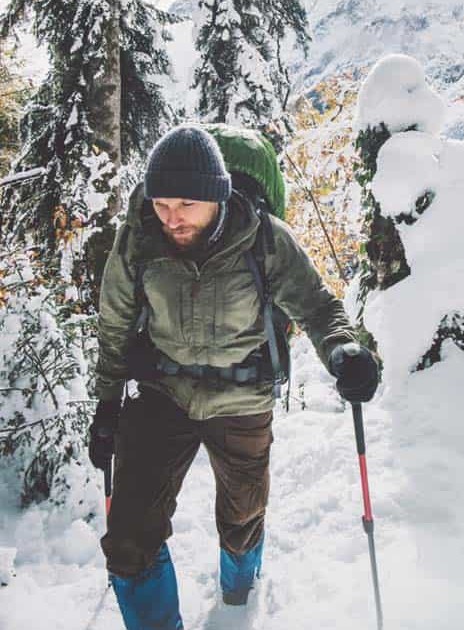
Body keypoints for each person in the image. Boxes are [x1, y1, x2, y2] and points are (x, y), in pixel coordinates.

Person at [88, 125, 379, 630]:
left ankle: (239, 592)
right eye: (161, 203)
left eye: (185, 204)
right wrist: (107, 405)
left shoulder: (264, 238)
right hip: (163, 393)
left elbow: (316, 305)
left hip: (242, 396)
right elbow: (114, 324)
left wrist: (342, 350)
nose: (170, 217)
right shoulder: (139, 238)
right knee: (129, 541)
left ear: (218, 198)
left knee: (242, 518)